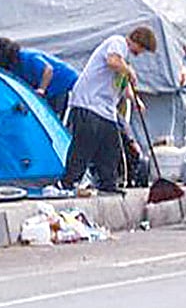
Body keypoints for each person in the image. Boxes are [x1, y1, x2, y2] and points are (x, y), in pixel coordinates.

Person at [61, 26, 157, 193]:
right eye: (142, 49)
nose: (140, 53)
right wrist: (129, 71)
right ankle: (68, 182)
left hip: (106, 110)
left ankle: (107, 183)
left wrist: (136, 101)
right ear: (137, 42)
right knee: (84, 146)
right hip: (88, 103)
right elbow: (112, 61)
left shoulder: (124, 60)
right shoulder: (117, 42)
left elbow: (123, 86)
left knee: (110, 148)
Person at [0, 38, 79, 117]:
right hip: (50, 89)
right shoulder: (12, 67)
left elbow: (48, 70)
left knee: (54, 114)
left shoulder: (28, 57)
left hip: (64, 83)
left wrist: (41, 89)